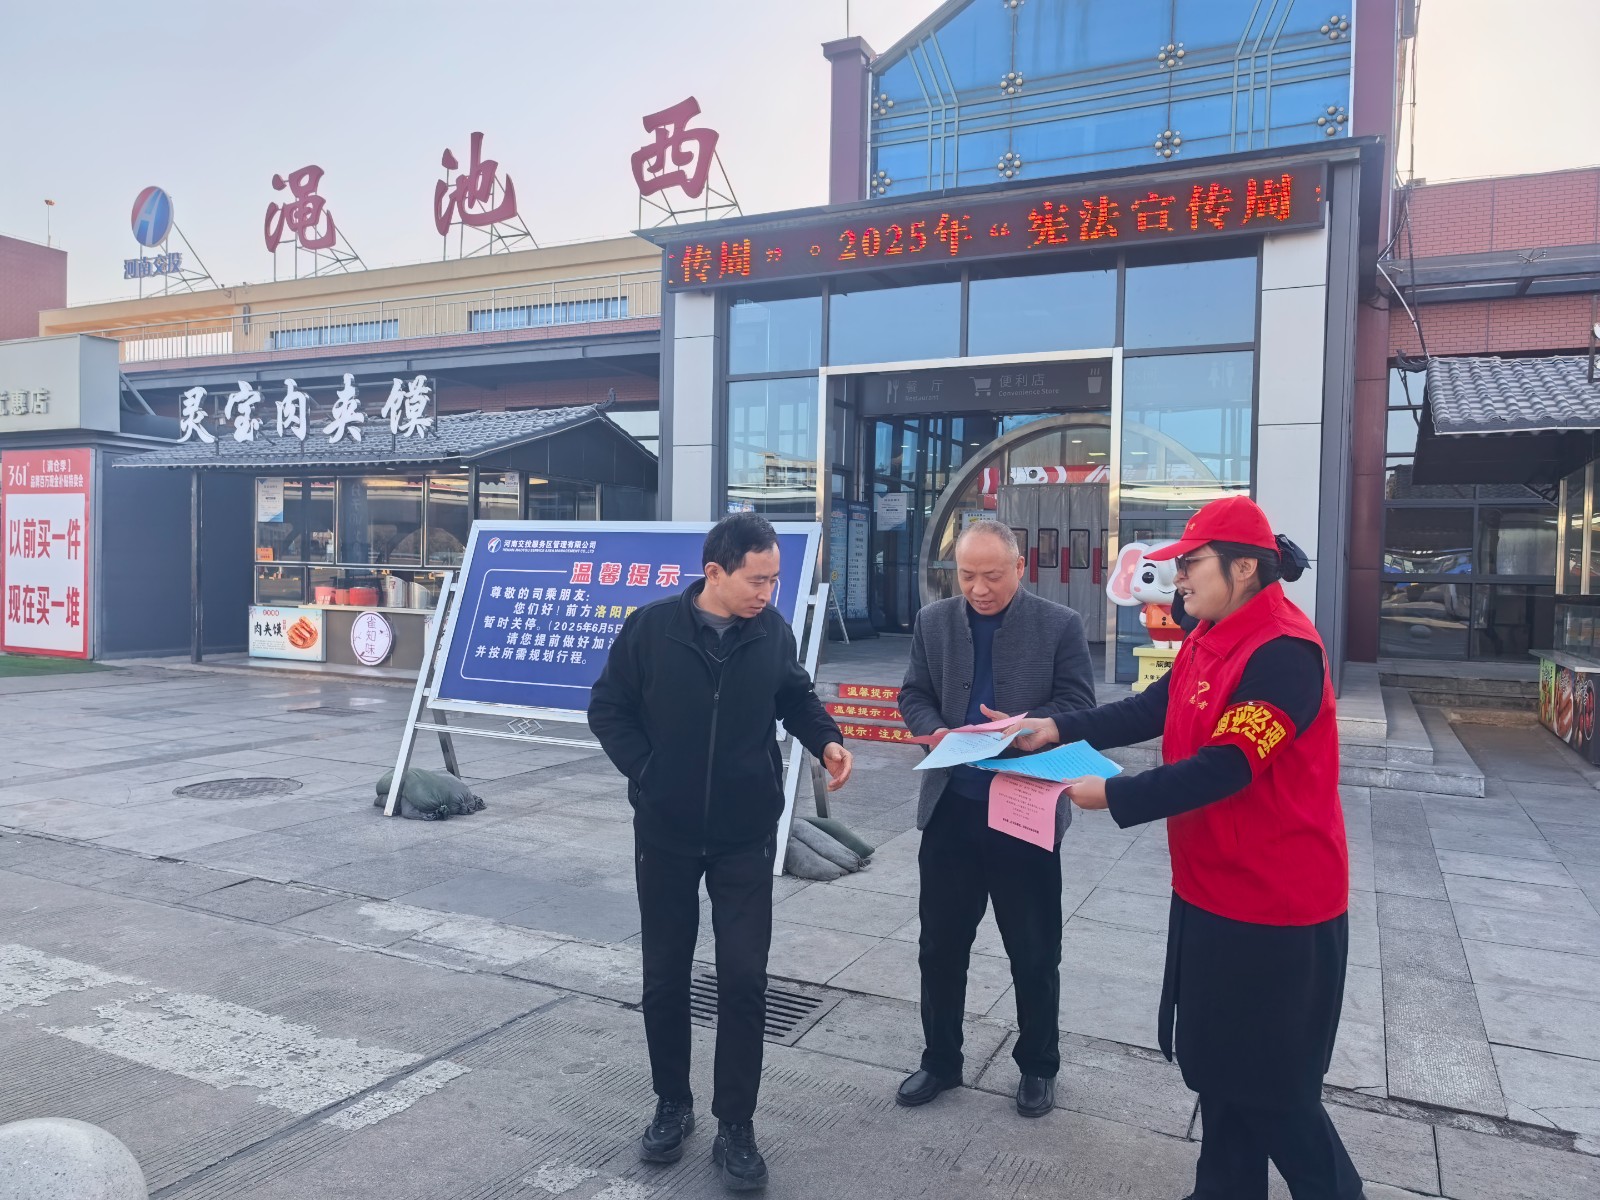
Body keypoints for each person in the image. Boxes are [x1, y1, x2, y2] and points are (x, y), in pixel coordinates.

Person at [1005, 495, 1363, 1200]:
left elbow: (1228, 766)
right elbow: (1151, 708)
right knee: (1221, 1074)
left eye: (1192, 563)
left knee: (1276, 1095)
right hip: (1209, 889)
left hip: (1276, 909)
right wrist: (1058, 728)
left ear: (1245, 568)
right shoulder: (1210, 633)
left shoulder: (1285, 653)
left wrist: (1114, 795)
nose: (1178, 579)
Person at [588, 513, 854, 1193]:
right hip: (666, 833)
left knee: (742, 979)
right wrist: (649, 773)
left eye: (774, 579)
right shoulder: (652, 629)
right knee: (664, 976)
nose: (768, 592)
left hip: (744, 834)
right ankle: (671, 1104)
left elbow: (795, 696)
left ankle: (736, 1124)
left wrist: (826, 739)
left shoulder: (772, 633)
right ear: (715, 572)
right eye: (757, 580)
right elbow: (608, 708)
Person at [895, 520, 1097, 1118]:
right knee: (940, 946)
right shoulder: (934, 622)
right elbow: (913, 693)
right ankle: (941, 1060)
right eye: (967, 576)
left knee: (1033, 950)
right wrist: (932, 729)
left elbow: (1079, 704)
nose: (979, 589)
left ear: (1019, 567)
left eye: (992, 576)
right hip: (951, 808)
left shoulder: (1060, 624)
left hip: (1024, 809)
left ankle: (1038, 1065)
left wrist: (1025, 727)